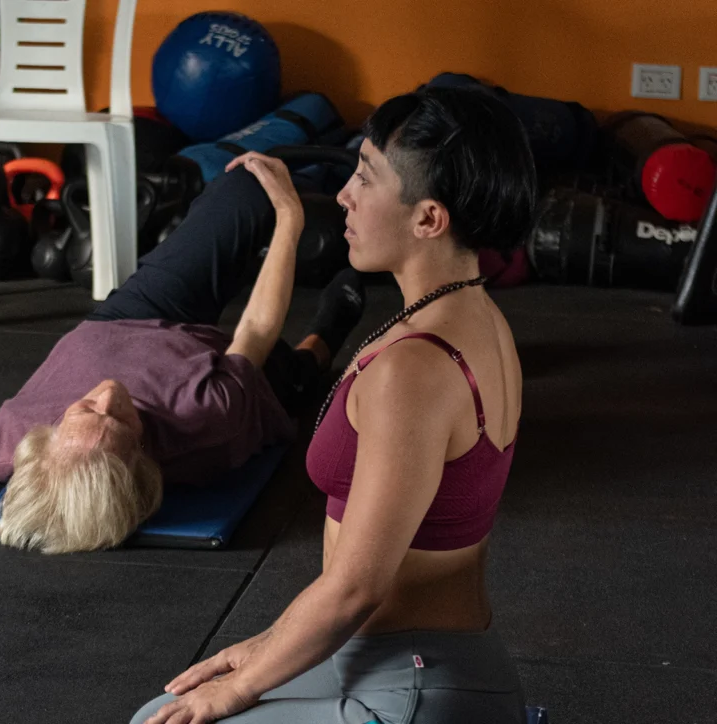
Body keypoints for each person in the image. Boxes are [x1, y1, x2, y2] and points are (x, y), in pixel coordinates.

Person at [131, 85, 537, 724]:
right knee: (164, 708)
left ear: (428, 218)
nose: (344, 194)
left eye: (366, 177)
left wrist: (238, 690)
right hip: (410, 661)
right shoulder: (473, 312)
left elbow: (355, 588)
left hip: (415, 689)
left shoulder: (415, 366)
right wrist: (262, 647)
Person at [0, 155, 366, 554]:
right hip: (220, 364)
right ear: (141, 454)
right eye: (119, 419)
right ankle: (327, 331)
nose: (109, 394)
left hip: (124, 322)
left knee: (246, 186)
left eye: (85, 408)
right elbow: (257, 329)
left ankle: (334, 161)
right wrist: (290, 219)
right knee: (294, 372)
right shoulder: (206, 416)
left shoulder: (16, 434)